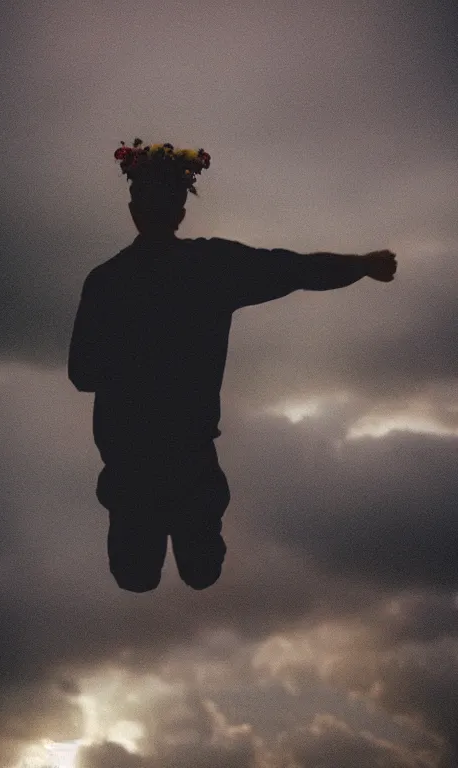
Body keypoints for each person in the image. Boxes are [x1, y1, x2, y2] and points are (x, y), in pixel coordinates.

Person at [68, 138, 397, 593]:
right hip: (185, 461)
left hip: (134, 466)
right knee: (196, 573)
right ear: (181, 211)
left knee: (139, 577)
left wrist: (134, 366)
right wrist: (362, 264)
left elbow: (82, 374)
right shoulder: (210, 266)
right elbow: (297, 270)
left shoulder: (108, 282)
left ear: (133, 210)